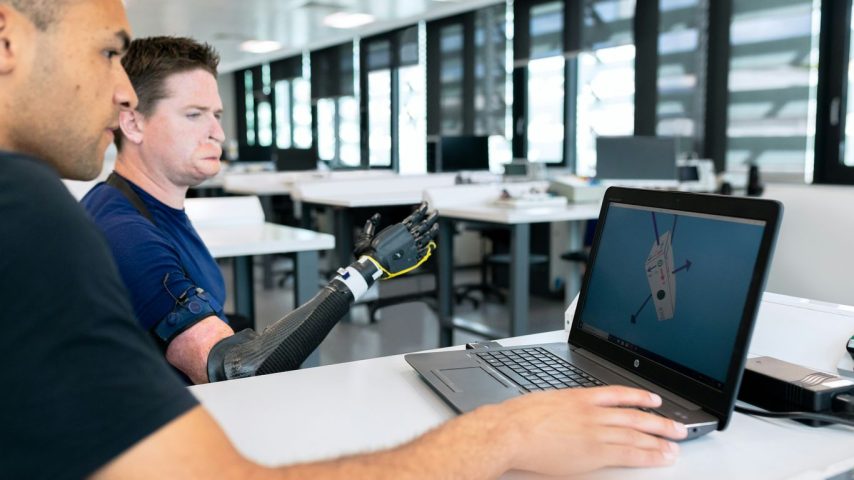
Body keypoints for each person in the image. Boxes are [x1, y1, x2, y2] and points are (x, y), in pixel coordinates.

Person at [0, 1, 687, 478]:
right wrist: (504, 430)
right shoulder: (70, 220)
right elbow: (235, 368)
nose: (120, 90)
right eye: (108, 52)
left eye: (217, 114)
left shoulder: (114, 212)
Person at [80, 35, 438, 384]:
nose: (217, 133)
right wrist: (366, 270)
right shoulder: (125, 234)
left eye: (216, 115)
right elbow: (236, 368)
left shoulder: (149, 206)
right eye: (194, 115)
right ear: (133, 123)